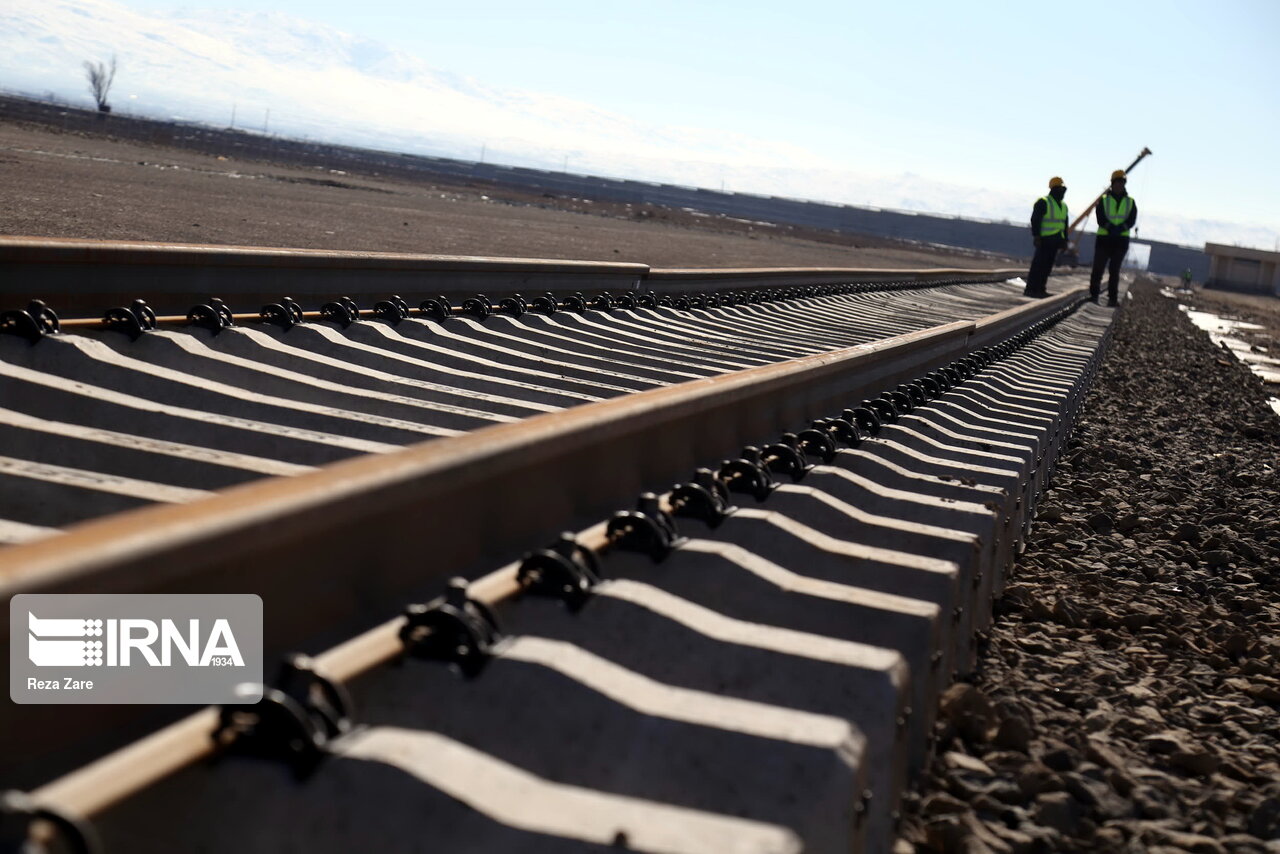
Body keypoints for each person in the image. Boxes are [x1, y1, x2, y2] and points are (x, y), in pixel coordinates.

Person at [1090, 170, 1138, 306]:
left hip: (1120, 241)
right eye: (1117, 183)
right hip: (1104, 239)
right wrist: (1109, 227)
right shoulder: (1103, 200)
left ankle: (1112, 299)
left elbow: (1132, 219)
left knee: (1114, 270)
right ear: (1112, 184)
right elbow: (1100, 217)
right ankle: (1093, 295)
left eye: (1122, 183)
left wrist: (1121, 228)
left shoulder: (1130, 202)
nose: (1119, 185)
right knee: (1098, 268)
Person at [1025, 177, 1068, 297]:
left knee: (1047, 266)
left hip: (1056, 240)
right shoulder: (1043, 202)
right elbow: (1035, 220)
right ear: (1053, 189)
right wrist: (1037, 236)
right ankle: (1031, 289)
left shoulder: (1063, 206)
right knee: (1038, 265)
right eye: (1060, 188)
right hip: (1044, 240)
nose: (1062, 191)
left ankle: (1040, 289)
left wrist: (1065, 240)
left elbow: (1064, 224)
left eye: (1063, 188)